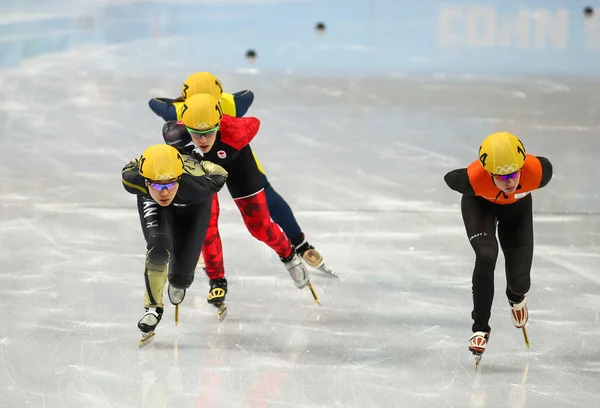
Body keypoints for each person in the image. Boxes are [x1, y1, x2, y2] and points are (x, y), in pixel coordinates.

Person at [149, 72, 334, 276]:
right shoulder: (231, 103)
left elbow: (155, 102)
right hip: (234, 155)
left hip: (211, 165)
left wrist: (178, 101)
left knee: (198, 210)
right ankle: (302, 245)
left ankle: (196, 247)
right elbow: (248, 95)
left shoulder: (178, 111)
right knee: (267, 199)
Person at [162, 92, 318, 310]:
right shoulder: (174, 135)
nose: (203, 140)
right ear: (186, 129)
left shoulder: (237, 130)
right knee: (205, 224)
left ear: (218, 124)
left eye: (208, 132)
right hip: (204, 170)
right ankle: (217, 280)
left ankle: (289, 255)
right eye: (196, 134)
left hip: (238, 165)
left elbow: (255, 122)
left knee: (259, 226)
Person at [443, 132, 553, 359]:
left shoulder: (539, 172)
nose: (510, 181)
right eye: (501, 177)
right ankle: (480, 327)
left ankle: (516, 297)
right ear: (488, 172)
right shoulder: (471, 179)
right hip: (480, 206)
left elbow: (545, 164)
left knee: (520, 281)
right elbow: (449, 177)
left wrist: (518, 294)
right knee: (486, 255)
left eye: (513, 174)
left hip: (517, 212)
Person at [121, 143, 228, 343]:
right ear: (144, 181)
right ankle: (152, 308)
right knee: (158, 247)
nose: (164, 193)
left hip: (195, 207)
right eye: (157, 185)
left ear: (179, 178)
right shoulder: (133, 179)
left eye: (170, 185)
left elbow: (220, 174)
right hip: (150, 201)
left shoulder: (198, 183)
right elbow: (129, 167)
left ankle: (179, 280)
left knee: (181, 279)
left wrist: (204, 164)